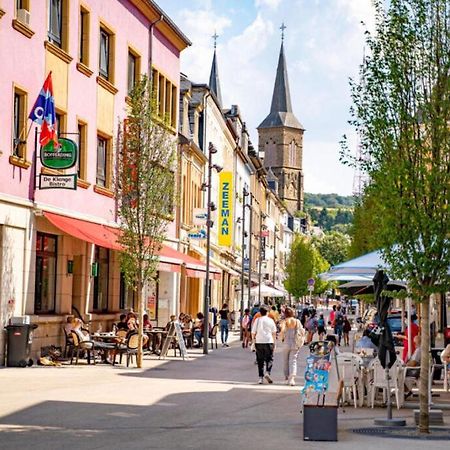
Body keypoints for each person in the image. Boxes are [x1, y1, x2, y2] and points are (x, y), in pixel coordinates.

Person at [252, 306, 277, 384]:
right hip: (269, 341)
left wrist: (253, 341)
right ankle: (267, 372)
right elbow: (274, 333)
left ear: (260, 312)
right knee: (269, 359)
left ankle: (260, 378)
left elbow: (253, 332)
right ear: (267, 312)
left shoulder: (257, 320)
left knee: (260, 360)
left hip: (259, 341)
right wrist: (274, 343)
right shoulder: (270, 320)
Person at [280, 307, 305, 386]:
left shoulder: (285, 321)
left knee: (285, 360)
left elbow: (282, 331)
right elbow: (302, 331)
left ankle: (286, 377)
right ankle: (292, 379)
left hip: (286, 343)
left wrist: (282, 338)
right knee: (293, 360)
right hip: (295, 342)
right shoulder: (297, 321)